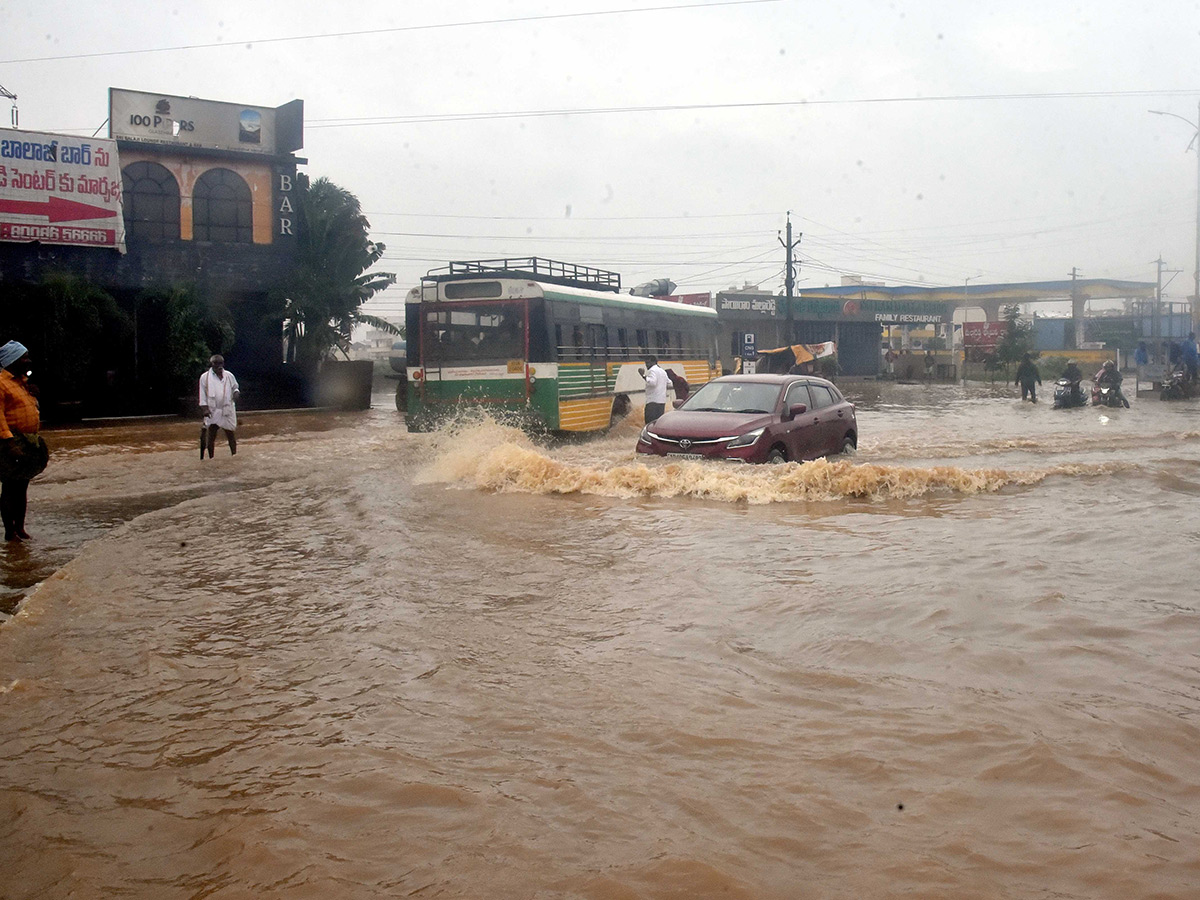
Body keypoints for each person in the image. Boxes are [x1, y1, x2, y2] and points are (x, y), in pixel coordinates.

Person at [0, 341, 49, 542]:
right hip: (9, 443)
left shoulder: (22, 383)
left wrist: (34, 394)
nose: (28, 361)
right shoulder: (1, 383)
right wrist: (9, 443)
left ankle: (20, 528)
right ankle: (9, 532)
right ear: (12, 360)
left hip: (27, 442)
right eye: (24, 358)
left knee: (22, 488)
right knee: (10, 487)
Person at [199, 354, 240, 458]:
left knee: (230, 434)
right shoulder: (205, 377)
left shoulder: (229, 375)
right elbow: (202, 395)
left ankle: (234, 456)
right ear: (212, 364)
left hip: (227, 409)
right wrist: (205, 409)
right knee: (211, 436)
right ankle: (211, 458)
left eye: (221, 363)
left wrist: (236, 393)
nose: (219, 366)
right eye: (216, 364)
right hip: (213, 411)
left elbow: (235, 387)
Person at [638, 355, 670, 424]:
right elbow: (669, 382)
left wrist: (643, 376)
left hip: (652, 402)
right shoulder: (662, 371)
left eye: (648, 363)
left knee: (649, 424)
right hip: (661, 402)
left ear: (654, 362)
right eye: (646, 363)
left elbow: (652, 383)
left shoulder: (652, 370)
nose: (646, 365)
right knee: (658, 423)